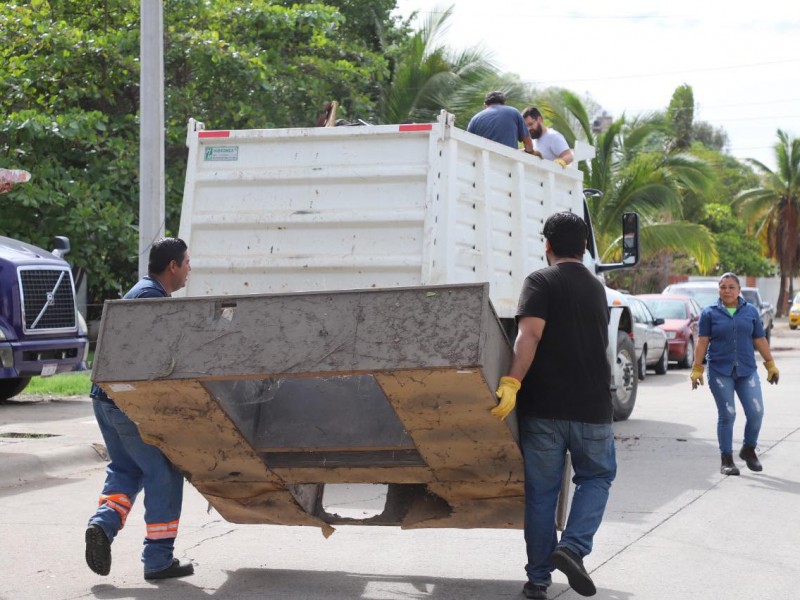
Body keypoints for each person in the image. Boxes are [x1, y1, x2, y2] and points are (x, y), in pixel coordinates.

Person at [492, 212, 613, 599]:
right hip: (592, 407)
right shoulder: (597, 289)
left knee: (543, 493)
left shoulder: (540, 280)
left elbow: (529, 336)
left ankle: (538, 580)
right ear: (585, 247)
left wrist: (511, 383)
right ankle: (573, 548)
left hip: (543, 408)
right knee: (595, 477)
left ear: (547, 245)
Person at [85, 237, 195, 580]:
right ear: (173, 266)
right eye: (187, 262)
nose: (190, 269)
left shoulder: (141, 292)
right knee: (163, 473)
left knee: (127, 470)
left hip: (106, 399)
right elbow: (155, 360)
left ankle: (102, 527)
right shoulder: (151, 299)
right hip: (126, 403)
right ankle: (158, 560)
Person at [689, 273, 779, 476]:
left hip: (747, 370)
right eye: (723, 287)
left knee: (756, 412)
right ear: (719, 290)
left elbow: (760, 339)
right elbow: (702, 342)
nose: (727, 291)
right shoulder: (709, 313)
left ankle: (748, 449)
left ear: (739, 290)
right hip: (720, 371)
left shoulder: (750, 312)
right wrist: (697, 368)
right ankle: (726, 459)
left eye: (731, 287)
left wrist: (770, 364)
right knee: (728, 414)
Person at [467, 91, 535, 154]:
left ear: (485, 105)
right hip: (509, 163)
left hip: (482, 163)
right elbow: (529, 146)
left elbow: (468, 147)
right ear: (503, 104)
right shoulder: (514, 112)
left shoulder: (475, 119)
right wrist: (517, 153)